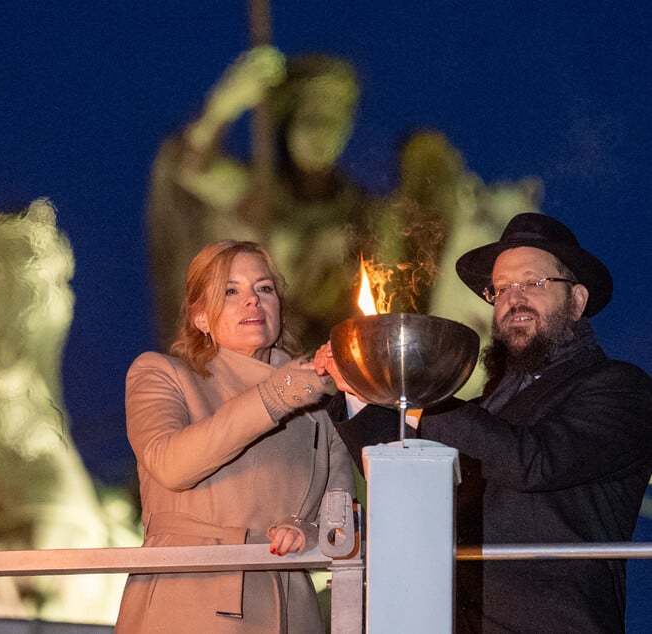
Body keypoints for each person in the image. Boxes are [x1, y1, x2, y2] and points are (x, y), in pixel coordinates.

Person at [319, 213, 652, 633]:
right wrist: (357, 386)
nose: (514, 298)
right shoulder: (491, 404)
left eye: (533, 283)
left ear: (578, 301)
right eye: (502, 288)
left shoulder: (620, 389)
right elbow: (405, 463)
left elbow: (534, 460)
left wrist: (423, 392)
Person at [116, 240, 356, 633]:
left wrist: (306, 533)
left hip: (290, 610)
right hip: (188, 600)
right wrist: (282, 391)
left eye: (264, 288)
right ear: (200, 317)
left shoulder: (318, 407)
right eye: (231, 291)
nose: (252, 301)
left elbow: (340, 523)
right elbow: (171, 465)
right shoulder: (160, 374)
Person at [146, 46, 371, 348]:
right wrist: (224, 104)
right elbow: (191, 168)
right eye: (312, 115)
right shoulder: (257, 194)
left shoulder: (361, 213)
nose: (323, 132)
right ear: (288, 119)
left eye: (335, 118)